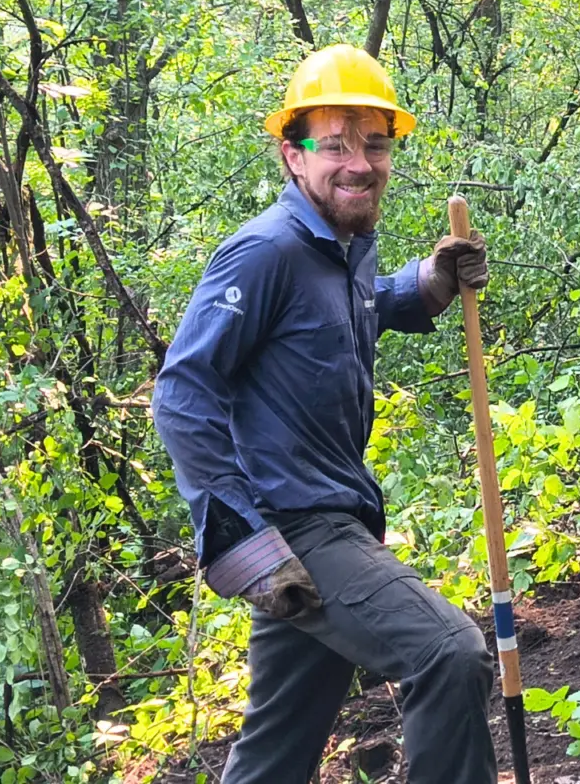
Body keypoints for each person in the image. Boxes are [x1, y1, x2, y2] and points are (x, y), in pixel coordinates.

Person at [152, 44, 497, 784]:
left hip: (328, 521)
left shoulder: (347, 247)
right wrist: (246, 543)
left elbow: (354, 316)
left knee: (276, 753)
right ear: (292, 156)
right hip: (297, 524)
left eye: (375, 144)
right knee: (450, 652)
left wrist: (430, 278)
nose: (358, 163)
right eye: (333, 144)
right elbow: (183, 394)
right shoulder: (262, 253)